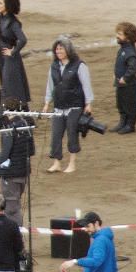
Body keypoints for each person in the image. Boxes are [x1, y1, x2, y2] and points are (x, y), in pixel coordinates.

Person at [43, 36, 94, 174]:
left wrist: (88, 103)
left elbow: (86, 84)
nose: (58, 51)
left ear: (68, 50)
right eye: (57, 49)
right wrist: (47, 102)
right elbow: (50, 85)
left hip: (74, 106)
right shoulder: (54, 66)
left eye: (61, 48)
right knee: (56, 135)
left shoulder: (79, 65)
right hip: (59, 106)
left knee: (72, 134)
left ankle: (72, 163)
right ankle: (57, 163)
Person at [0, 100, 35, 226]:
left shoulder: (8, 129)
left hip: (11, 175)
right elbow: (32, 150)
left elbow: (5, 155)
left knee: (11, 209)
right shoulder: (25, 125)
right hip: (23, 173)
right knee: (15, 205)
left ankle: (16, 238)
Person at [0, 0, 30, 107]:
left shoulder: (13, 22)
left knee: (8, 89)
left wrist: (13, 51)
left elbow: (23, 39)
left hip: (10, 59)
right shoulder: (1, 18)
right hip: (2, 57)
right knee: (8, 87)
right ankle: (28, 118)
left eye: (0, 3)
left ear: (8, 5)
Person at [113, 22, 136, 134]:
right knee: (121, 104)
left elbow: (134, 68)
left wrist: (125, 78)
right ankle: (122, 122)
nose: (117, 36)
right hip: (121, 84)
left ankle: (130, 125)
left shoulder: (130, 52)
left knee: (130, 106)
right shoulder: (123, 49)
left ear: (128, 37)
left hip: (130, 85)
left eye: (120, 34)